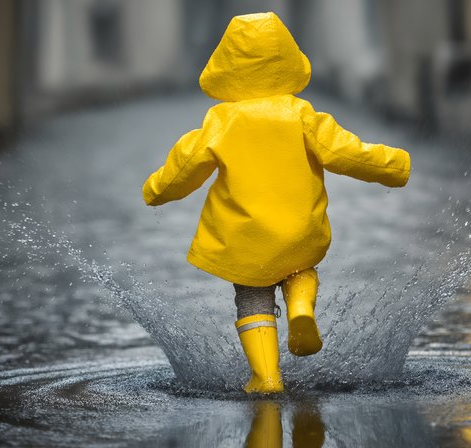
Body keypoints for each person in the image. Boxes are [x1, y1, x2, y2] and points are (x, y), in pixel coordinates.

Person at [142, 12, 410, 394]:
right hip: (299, 229)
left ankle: (267, 377)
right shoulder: (300, 114)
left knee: (252, 297)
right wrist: (395, 166)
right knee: (300, 268)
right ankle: (301, 309)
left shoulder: (221, 120)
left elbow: (184, 166)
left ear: (226, 65)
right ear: (287, 59)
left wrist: (155, 191)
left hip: (246, 238)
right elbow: (347, 152)